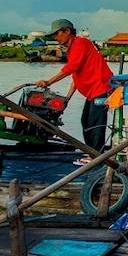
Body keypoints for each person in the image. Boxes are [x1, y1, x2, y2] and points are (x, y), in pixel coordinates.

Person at [35, 19, 113, 164]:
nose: (55, 38)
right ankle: (93, 153)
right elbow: (76, 75)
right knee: (85, 121)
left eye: (57, 34)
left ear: (67, 31)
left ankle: (96, 156)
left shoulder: (81, 43)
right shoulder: (72, 49)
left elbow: (70, 68)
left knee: (95, 123)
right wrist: (67, 98)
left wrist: (49, 81)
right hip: (92, 91)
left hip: (101, 88)